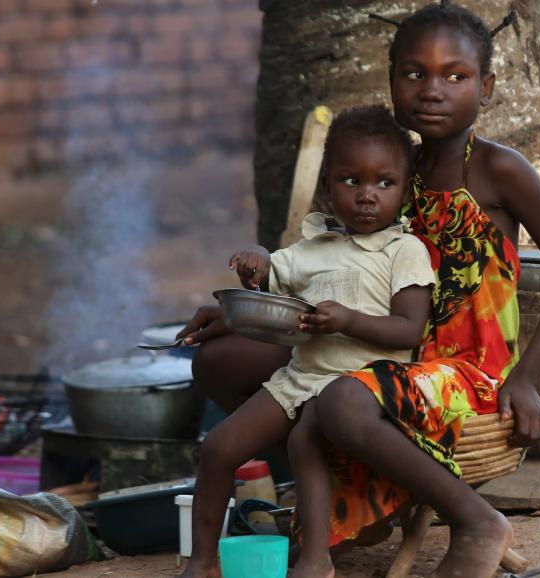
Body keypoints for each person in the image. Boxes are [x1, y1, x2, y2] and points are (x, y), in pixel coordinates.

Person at [180, 3, 540, 576]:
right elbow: (345, 274)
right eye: (414, 73)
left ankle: (475, 520)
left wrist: (525, 377)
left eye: (456, 75)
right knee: (221, 361)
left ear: (487, 87)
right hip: (384, 348)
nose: (432, 90)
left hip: (465, 368)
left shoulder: (500, 171)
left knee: (341, 398)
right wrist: (242, 313)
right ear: (392, 81)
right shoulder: (390, 170)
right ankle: (333, 491)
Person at [178, 105, 436, 578]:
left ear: (405, 187)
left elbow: (409, 331)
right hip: (302, 378)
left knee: (306, 439)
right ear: (327, 185)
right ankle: (202, 561)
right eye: (350, 180)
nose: (366, 196)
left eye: (384, 182)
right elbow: (270, 279)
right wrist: (254, 261)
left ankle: (316, 560)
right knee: (218, 446)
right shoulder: (313, 248)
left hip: (367, 388)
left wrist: (349, 321)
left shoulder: (406, 251)